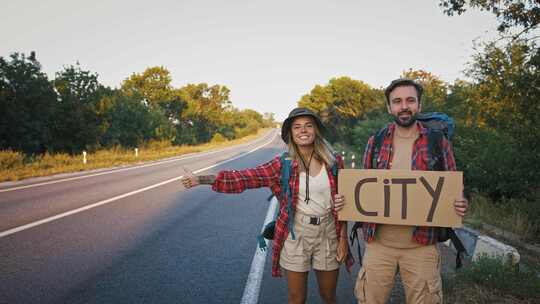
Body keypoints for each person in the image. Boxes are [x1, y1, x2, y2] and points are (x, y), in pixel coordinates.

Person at [181, 107, 352, 304]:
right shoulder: (282, 165)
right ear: (290, 134)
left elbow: (346, 203)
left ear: (316, 131)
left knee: (329, 296)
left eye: (308, 126)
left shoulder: (334, 162)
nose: (303, 130)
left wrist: (342, 238)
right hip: (296, 233)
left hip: (328, 232)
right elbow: (244, 177)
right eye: (297, 127)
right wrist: (201, 179)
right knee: (297, 299)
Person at [353, 79, 468, 304]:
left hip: (421, 247)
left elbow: (455, 187)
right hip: (379, 246)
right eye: (397, 101)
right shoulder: (375, 141)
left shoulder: (437, 141)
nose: (403, 106)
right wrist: (346, 201)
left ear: (419, 105)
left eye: (410, 100)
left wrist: (461, 202)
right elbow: (364, 188)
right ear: (389, 107)